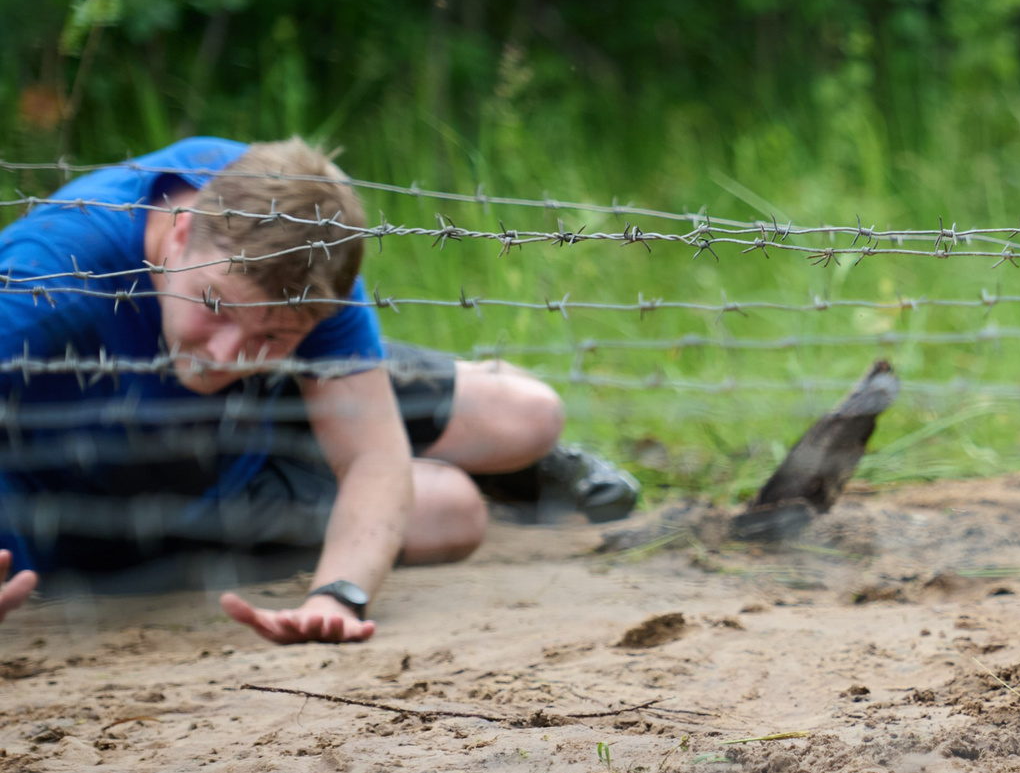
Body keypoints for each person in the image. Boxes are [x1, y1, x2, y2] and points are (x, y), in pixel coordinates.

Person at [0, 137, 639, 643]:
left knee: (526, 415)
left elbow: (371, 458)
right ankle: (459, 473)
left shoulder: (308, 244)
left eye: (275, 332)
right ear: (178, 233)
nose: (228, 355)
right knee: (451, 514)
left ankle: (519, 468)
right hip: (85, 484)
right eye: (215, 306)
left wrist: (338, 595)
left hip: (255, 408)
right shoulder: (50, 269)